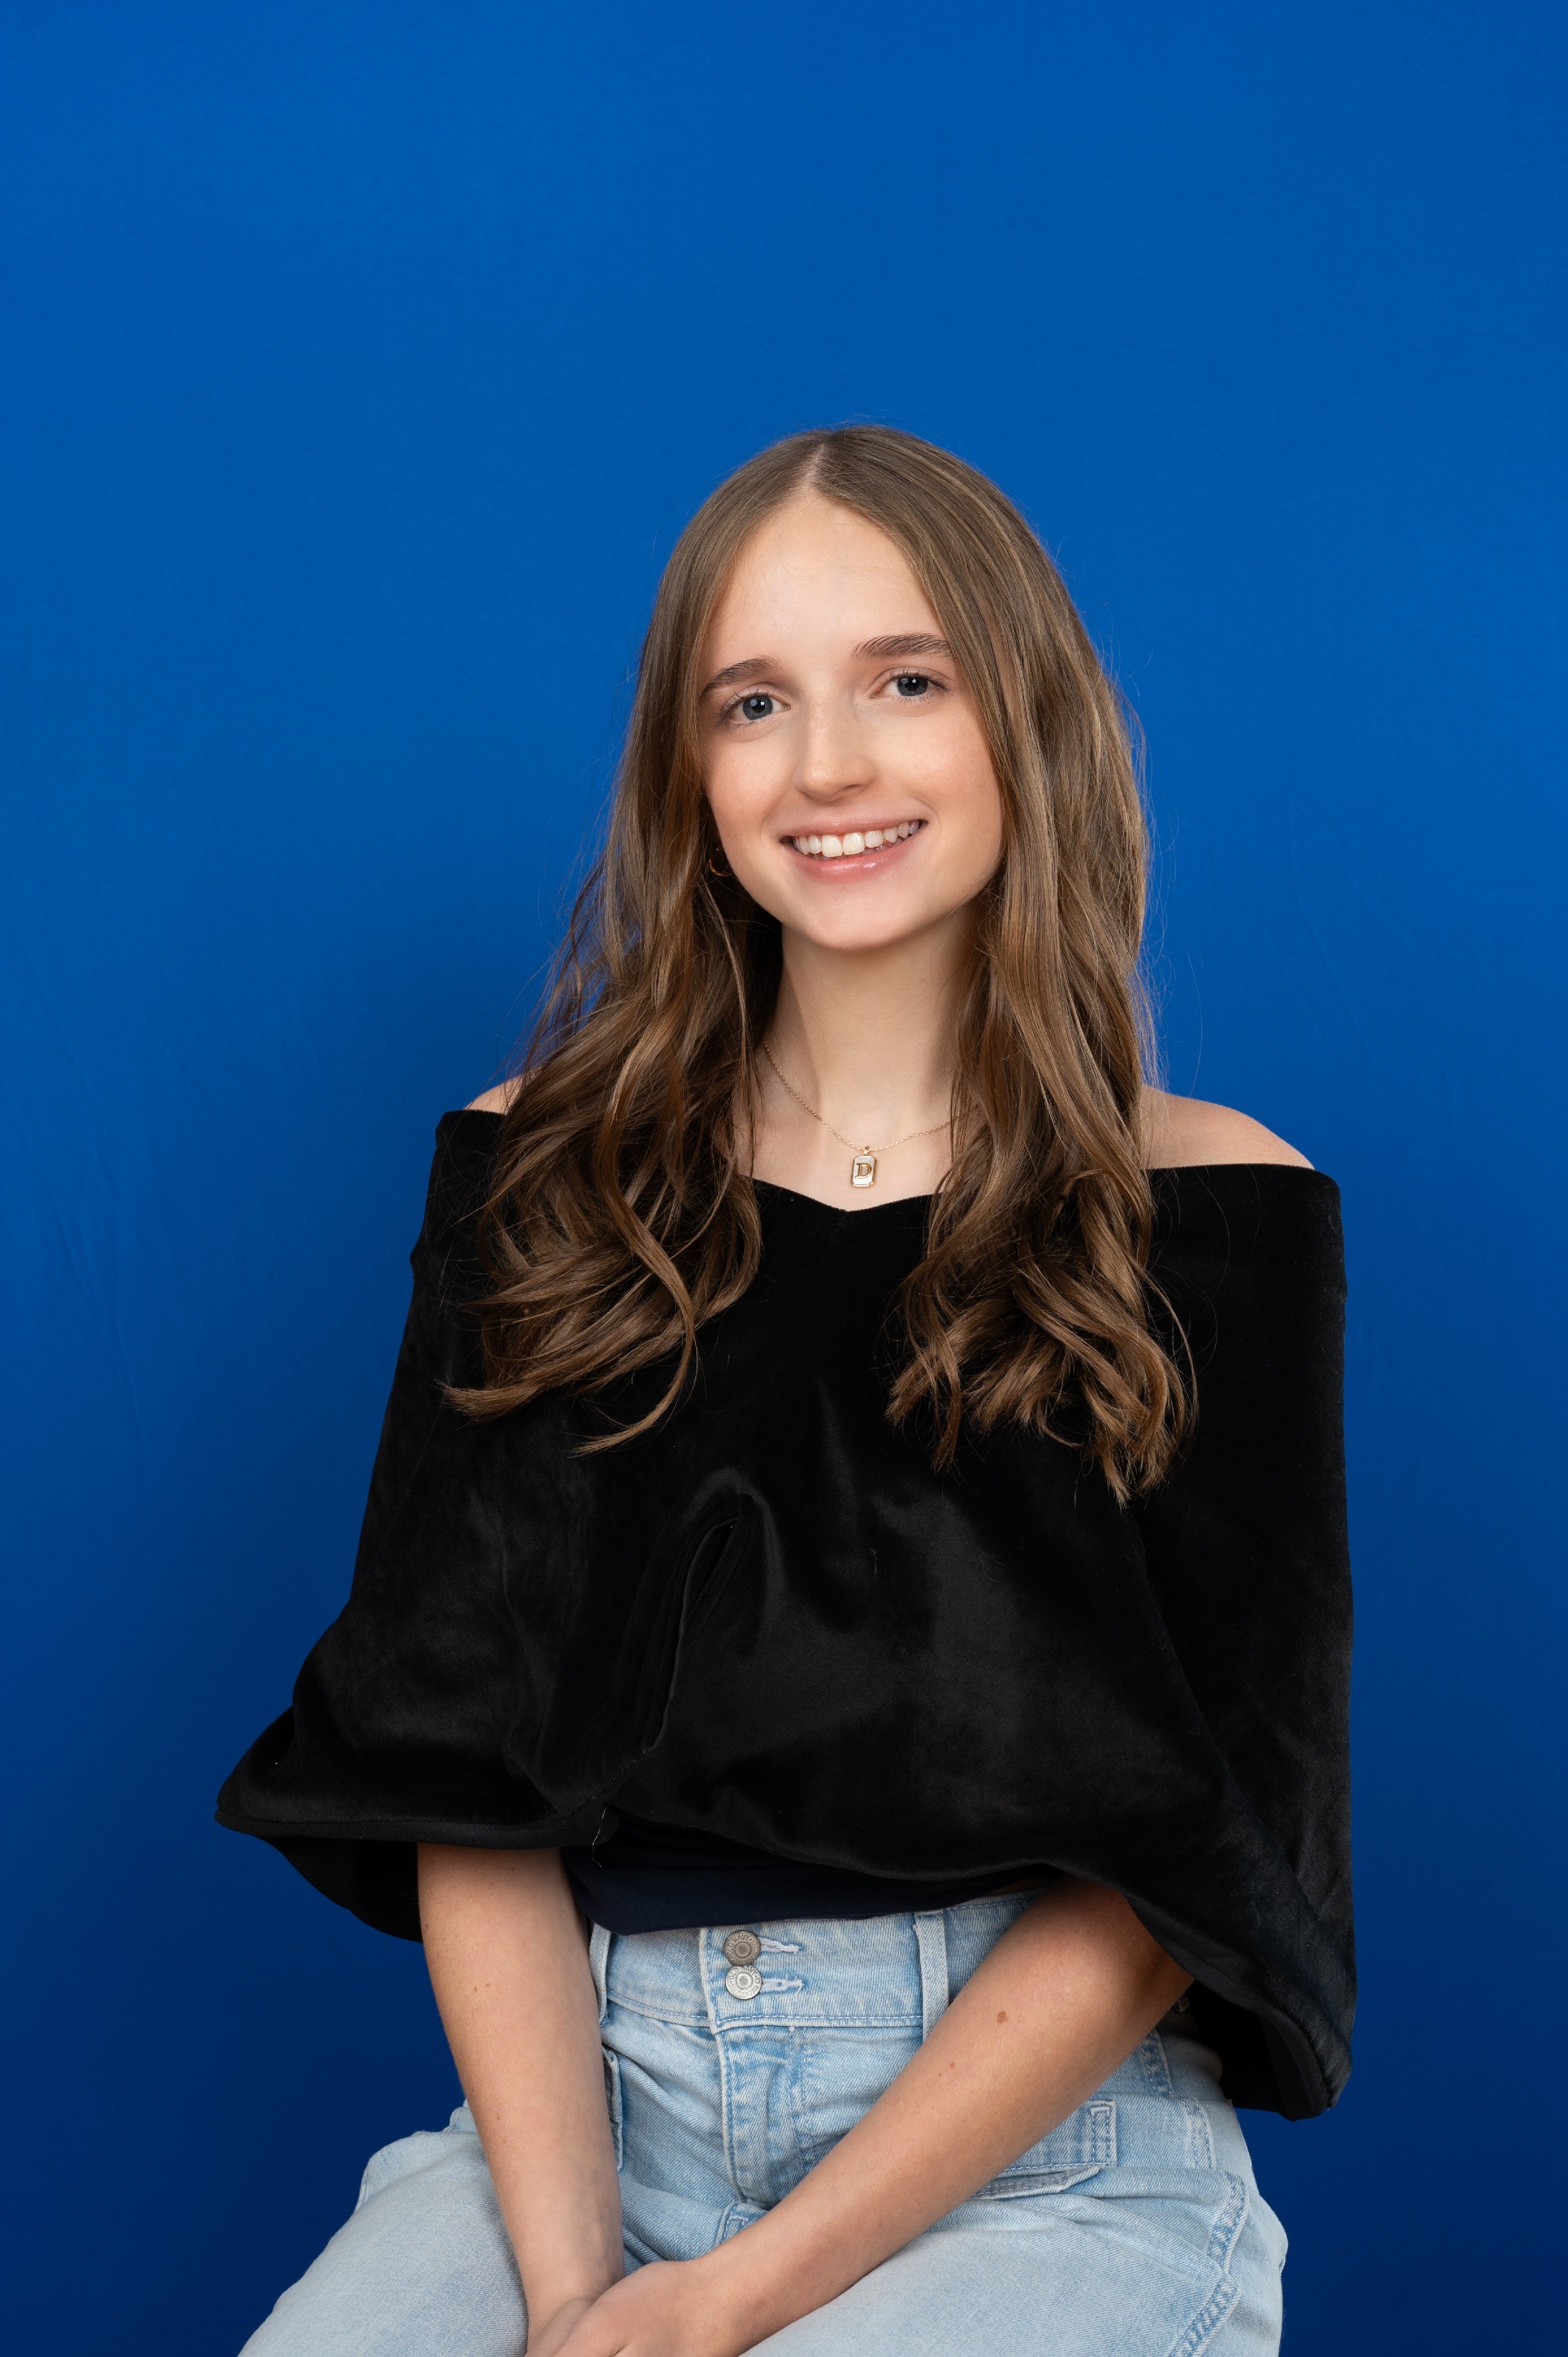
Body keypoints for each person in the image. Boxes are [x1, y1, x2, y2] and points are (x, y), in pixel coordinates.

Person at [219, 425, 1353, 2356]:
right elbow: (457, 1770)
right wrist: (578, 2289)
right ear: (694, 770)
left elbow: (1195, 1849)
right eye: (755, 701)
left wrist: (732, 2302)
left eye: (906, 680)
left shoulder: (1219, 1209)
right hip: (595, 2122)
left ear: (1031, 719)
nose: (828, 763)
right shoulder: (542, 1177)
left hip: (1051, 2158)